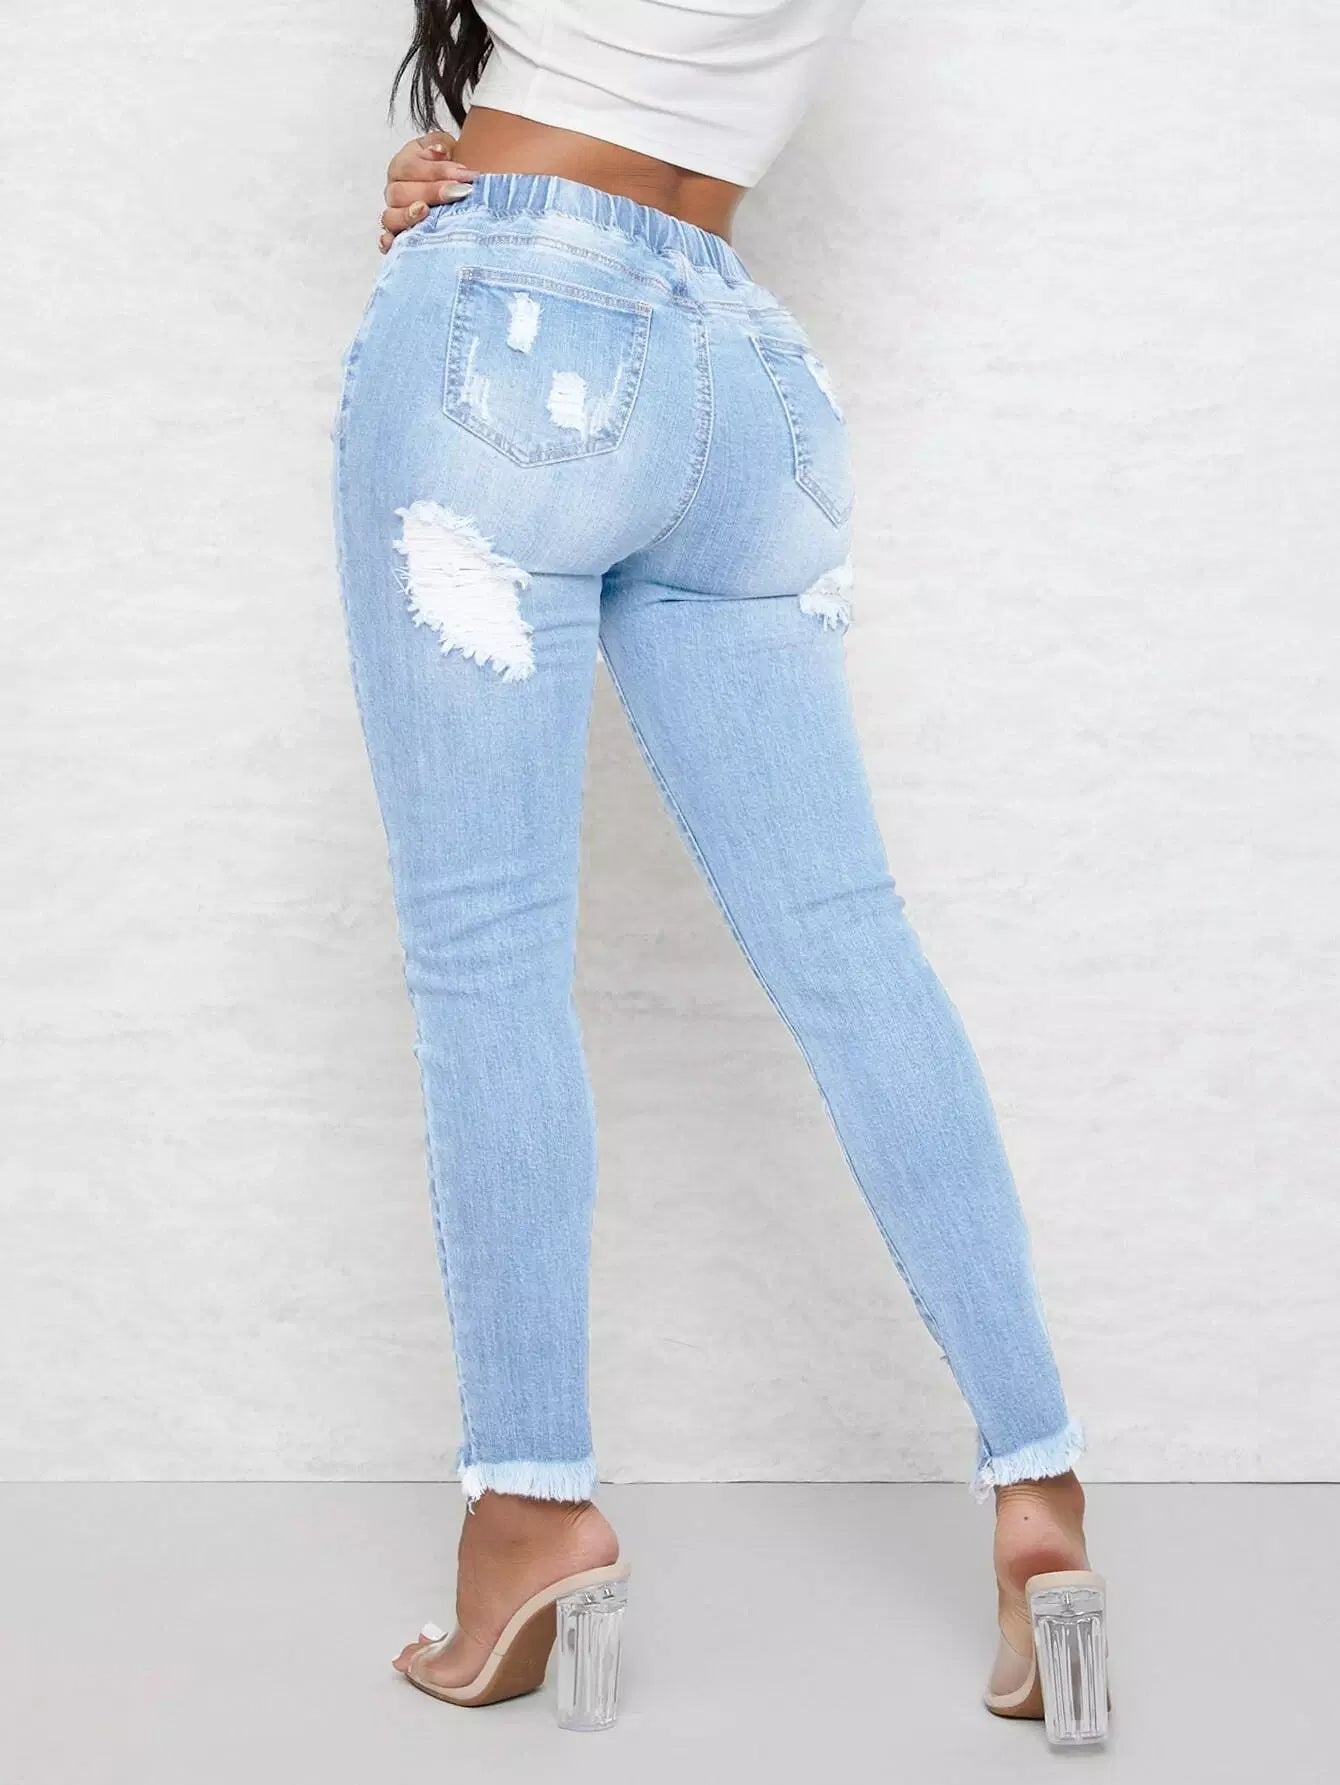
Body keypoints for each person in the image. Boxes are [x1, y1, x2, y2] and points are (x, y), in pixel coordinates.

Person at [334, 0, 1108, 1743]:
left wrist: (483, 173)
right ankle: (1041, 1490)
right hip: (742, 369)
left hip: (510, 316)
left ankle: (528, 1515)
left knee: (487, 955)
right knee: (851, 943)